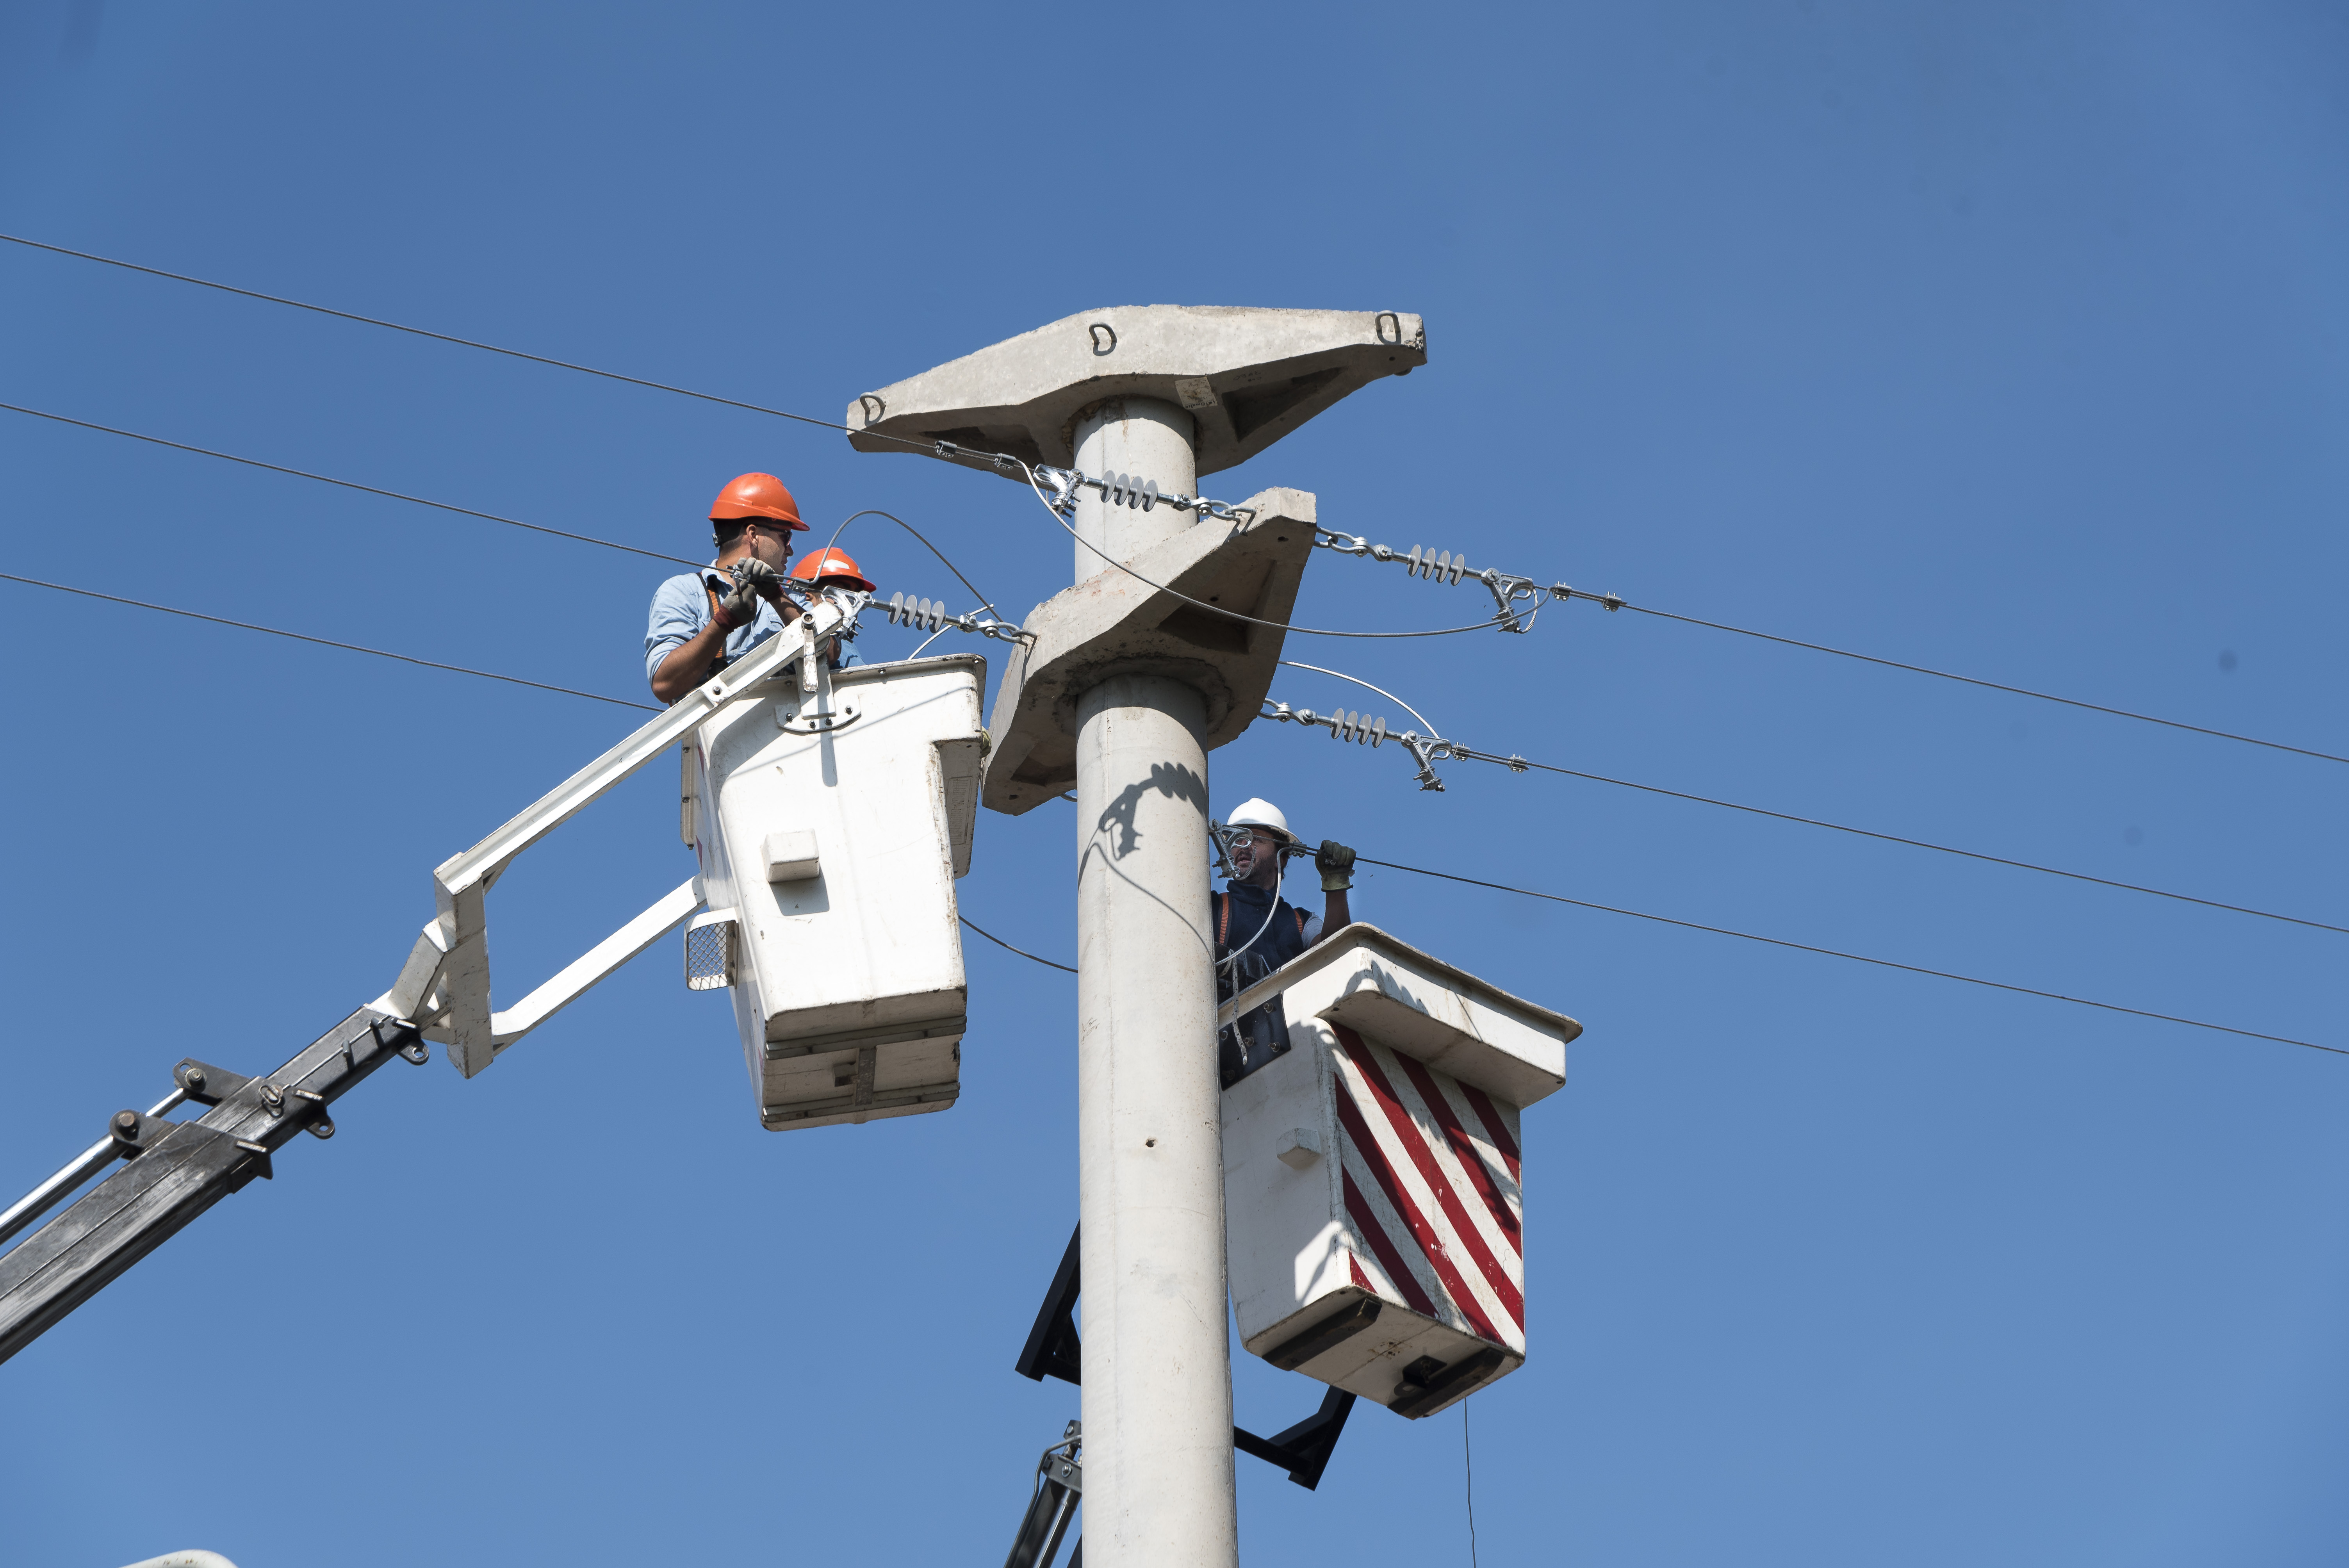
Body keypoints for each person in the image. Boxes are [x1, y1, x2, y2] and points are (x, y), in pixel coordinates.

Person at [1214, 797, 1357, 1088]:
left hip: (1292, 1049)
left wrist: (1336, 886)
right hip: (1225, 1056)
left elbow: (1334, 953)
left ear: (1283, 856)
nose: (1242, 847)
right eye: (1235, 839)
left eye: (1254, 839)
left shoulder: (1301, 921)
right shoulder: (1214, 909)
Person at [789, 547, 877, 669]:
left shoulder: (846, 648)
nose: (851, 605)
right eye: (842, 593)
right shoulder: (783, 629)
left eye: (854, 598)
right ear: (807, 597)